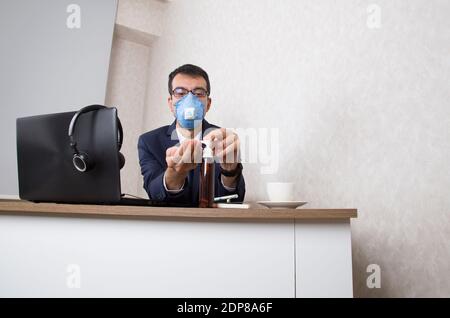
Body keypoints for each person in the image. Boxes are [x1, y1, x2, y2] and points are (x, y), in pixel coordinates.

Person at [138, 64, 245, 205]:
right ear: (171, 103)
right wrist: (174, 175)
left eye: (199, 93)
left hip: (215, 224)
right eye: (180, 93)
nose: (189, 100)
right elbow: (155, 193)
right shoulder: (150, 141)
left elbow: (236, 199)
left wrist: (230, 171)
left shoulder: (224, 139)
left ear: (208, 104)